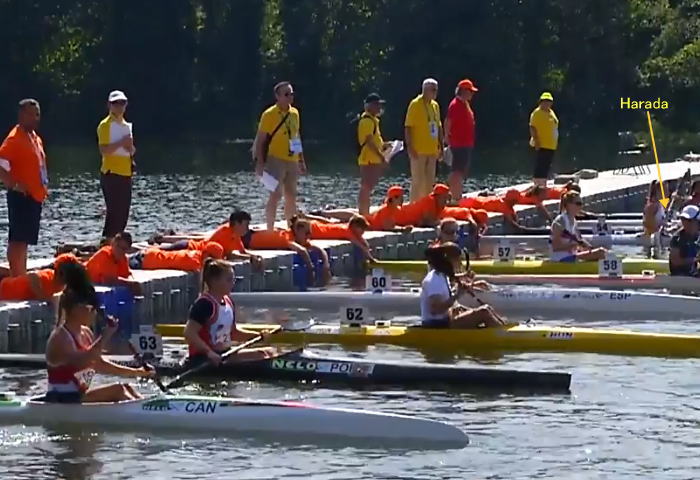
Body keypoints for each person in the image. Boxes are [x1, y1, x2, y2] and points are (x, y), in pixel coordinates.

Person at [44, 270, 152, 403]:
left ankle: (148, 407)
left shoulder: (86, 333)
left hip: (78, 396)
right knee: (118, 391)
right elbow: (84, 360)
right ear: (77, 309)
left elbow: (98, 364)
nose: (95, 313)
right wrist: (105, 336)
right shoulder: (59, 338)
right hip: (61, 400)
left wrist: (138, 372)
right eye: (92, 308)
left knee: (125, 387)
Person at [184, 260, 275, 366]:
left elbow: (233, 333)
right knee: (263, 355)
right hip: (205, 358)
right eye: (229, 279)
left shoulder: (228, 301)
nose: (233, 283)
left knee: (270, 351)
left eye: (233, 279)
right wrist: (209, 353)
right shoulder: (204, 304)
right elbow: (189, 333)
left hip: (225, 354)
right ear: (214, 281)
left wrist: (258, 336)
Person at [0, 99, 49, 276]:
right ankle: (17, 276)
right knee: (18, 240)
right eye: (31, 114)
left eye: (37, 114)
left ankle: (21, 273)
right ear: (21, 115)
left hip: (34, 196)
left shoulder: (35, 137)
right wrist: (12, 184)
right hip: (21, 196)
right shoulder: (15, 138)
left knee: (25, 240)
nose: (35, 118)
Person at [254, 81, 307, 230]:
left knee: (291, 195)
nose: (290, 97)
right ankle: (270, 228)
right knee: (276, 193)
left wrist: (301, 159)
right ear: (277, 96)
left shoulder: (295, 113)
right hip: (274, 159)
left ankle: (292, 227)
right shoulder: (269, 114)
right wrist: (260, 162)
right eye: (286, 94)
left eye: (291, 94)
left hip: (292, 159)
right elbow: (261, 140)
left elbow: (296, 137)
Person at [420, 243, 504, 329]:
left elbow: (454, 278)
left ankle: (504, 328)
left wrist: (471, 283)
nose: (460, 263)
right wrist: (458, 295)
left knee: (487, 308)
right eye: (458, 259)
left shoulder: (442, 276)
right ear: (448, 261)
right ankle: (503, 336)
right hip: (436, 326)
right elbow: (435, 310)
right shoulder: (434, 280)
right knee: (483, 312)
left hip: (445, 321)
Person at [160, 211, 263, 268]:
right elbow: (229, 255)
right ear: (237, 223)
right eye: (246, 225)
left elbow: (242, 252)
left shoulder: (235, 235)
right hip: (189, 248)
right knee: (160, 252)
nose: (248, 228)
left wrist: (254, 256)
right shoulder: (225, 232)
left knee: (161, 251)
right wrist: (250, 258)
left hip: (192, 252)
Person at [97, 90, 135, 240]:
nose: (119, 106)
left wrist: (130, 147)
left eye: (122, 103)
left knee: (123, 213)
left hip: (126, 173)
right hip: (111, 173)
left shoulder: (126, 125)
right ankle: (107, 243)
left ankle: (116, 244)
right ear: (109, 105)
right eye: (116, 103)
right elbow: (104, 150)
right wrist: (121, 143)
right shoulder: (105, 125)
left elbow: (130, 150)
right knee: (113, 212)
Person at [249, 218, 332, 285]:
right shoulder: (287, 236)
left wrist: (326, 265)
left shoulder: (300, 239)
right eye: (307, 233)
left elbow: (320, 250)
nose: (309, 236)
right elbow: (302, 251)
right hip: (249, 240)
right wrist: (310, 269)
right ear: (297, 231)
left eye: (310, 233)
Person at [405, 79, 443, 201]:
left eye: (436, 90)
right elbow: (408, 127)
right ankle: (414, 208)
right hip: (418, 150)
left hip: (432, 150)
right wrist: (410, 147)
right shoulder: (415, 104)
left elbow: (438, 126)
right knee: (417, 181)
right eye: (433, 90)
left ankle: (426, 208)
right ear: (425, 90)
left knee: (429, 181)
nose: (435, 92)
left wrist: (441, 146)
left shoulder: (435, 106)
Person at [315, 185, 411, 232]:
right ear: (391, 199)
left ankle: (319, 214)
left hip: (366, 222)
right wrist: (402, 229)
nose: (402, 199)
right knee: (332, 223)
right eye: (398, 197)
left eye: (402, 197)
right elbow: (387, 227)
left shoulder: (394, 209)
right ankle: (318, 215)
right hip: (365, 224)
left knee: (334, 223)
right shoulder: (387, 210)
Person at [445, 79, 478, 200]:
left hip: (466, 143)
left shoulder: (465, 104)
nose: (472, 94)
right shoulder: (455, 105)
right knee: (457, 171)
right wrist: (447, 138)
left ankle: (454, 193)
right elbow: (448, 122)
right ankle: (455, 197)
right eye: (470, 91)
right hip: (458, 143)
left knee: (462, 171)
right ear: (463, 91)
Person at [550, 192, 606, 262]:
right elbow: (555, 247)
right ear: (568, 205)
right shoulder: (559, 221)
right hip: (560, 258)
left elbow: (580, 240)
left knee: (603, 252)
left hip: (572, 255)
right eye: (578, 204)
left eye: (581, 204)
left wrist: (589, 248)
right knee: (601, 253)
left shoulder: (573, 221)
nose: (581, 207)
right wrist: (574, 245)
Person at [356, 93, 388, 216]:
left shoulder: (374, 121)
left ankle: (365, 211)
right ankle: (363, 213)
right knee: (366, 186)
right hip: (368, 159)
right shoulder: (367, 121)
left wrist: (384, 145)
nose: (379, 107)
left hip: (373, 159)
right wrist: (381, 156)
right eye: (377, 105)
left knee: (369, 187)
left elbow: (375, 140)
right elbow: (369, 141)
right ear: (370, 106)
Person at [0, 253, 80, 301]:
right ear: (60, 272)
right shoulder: (48, 278)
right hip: (4, 289)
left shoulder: (62, 286)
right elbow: (32, 275)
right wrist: (42, 297)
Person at [459, 189, 537, 233]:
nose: (516, 202)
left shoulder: (507, 204)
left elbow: (514, 216)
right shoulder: (502, 205)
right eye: (516, 200)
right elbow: (513, 223)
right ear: (512, 200)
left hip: (477, 200)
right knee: (454, 204)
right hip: (470, 203)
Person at [307, 215, 377, 262]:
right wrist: (372, 259)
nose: (363, 232)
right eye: (362, 229)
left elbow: (362, 240)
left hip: (317, 226)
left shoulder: (350, 230)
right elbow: (360, 245)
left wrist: (366, 245)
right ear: (355, 226)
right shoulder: (346, 231)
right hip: (315, 230)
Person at [129, 242, 224, 272]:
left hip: (149, 254)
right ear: (207, 254)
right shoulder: (194, 262)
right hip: (145, 262)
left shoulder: (196, 254)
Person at [529, 92, 559, 186]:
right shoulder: (537, 113)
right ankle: (538, 185)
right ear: (540, 102)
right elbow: (532, 127)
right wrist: (536, 140)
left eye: (549, 101)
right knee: (540, 165)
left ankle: (543, 184)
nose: (547, 103)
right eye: (545, 101)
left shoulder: (551, 112)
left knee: (546, 165)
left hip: (551, 144)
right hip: (542, 143)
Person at [669, 205, 700, 277]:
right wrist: (695, 259)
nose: (685, 223)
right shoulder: (676, 238)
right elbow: (675, 261)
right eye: (683, 219)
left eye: (689, 220)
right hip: (679, 276)